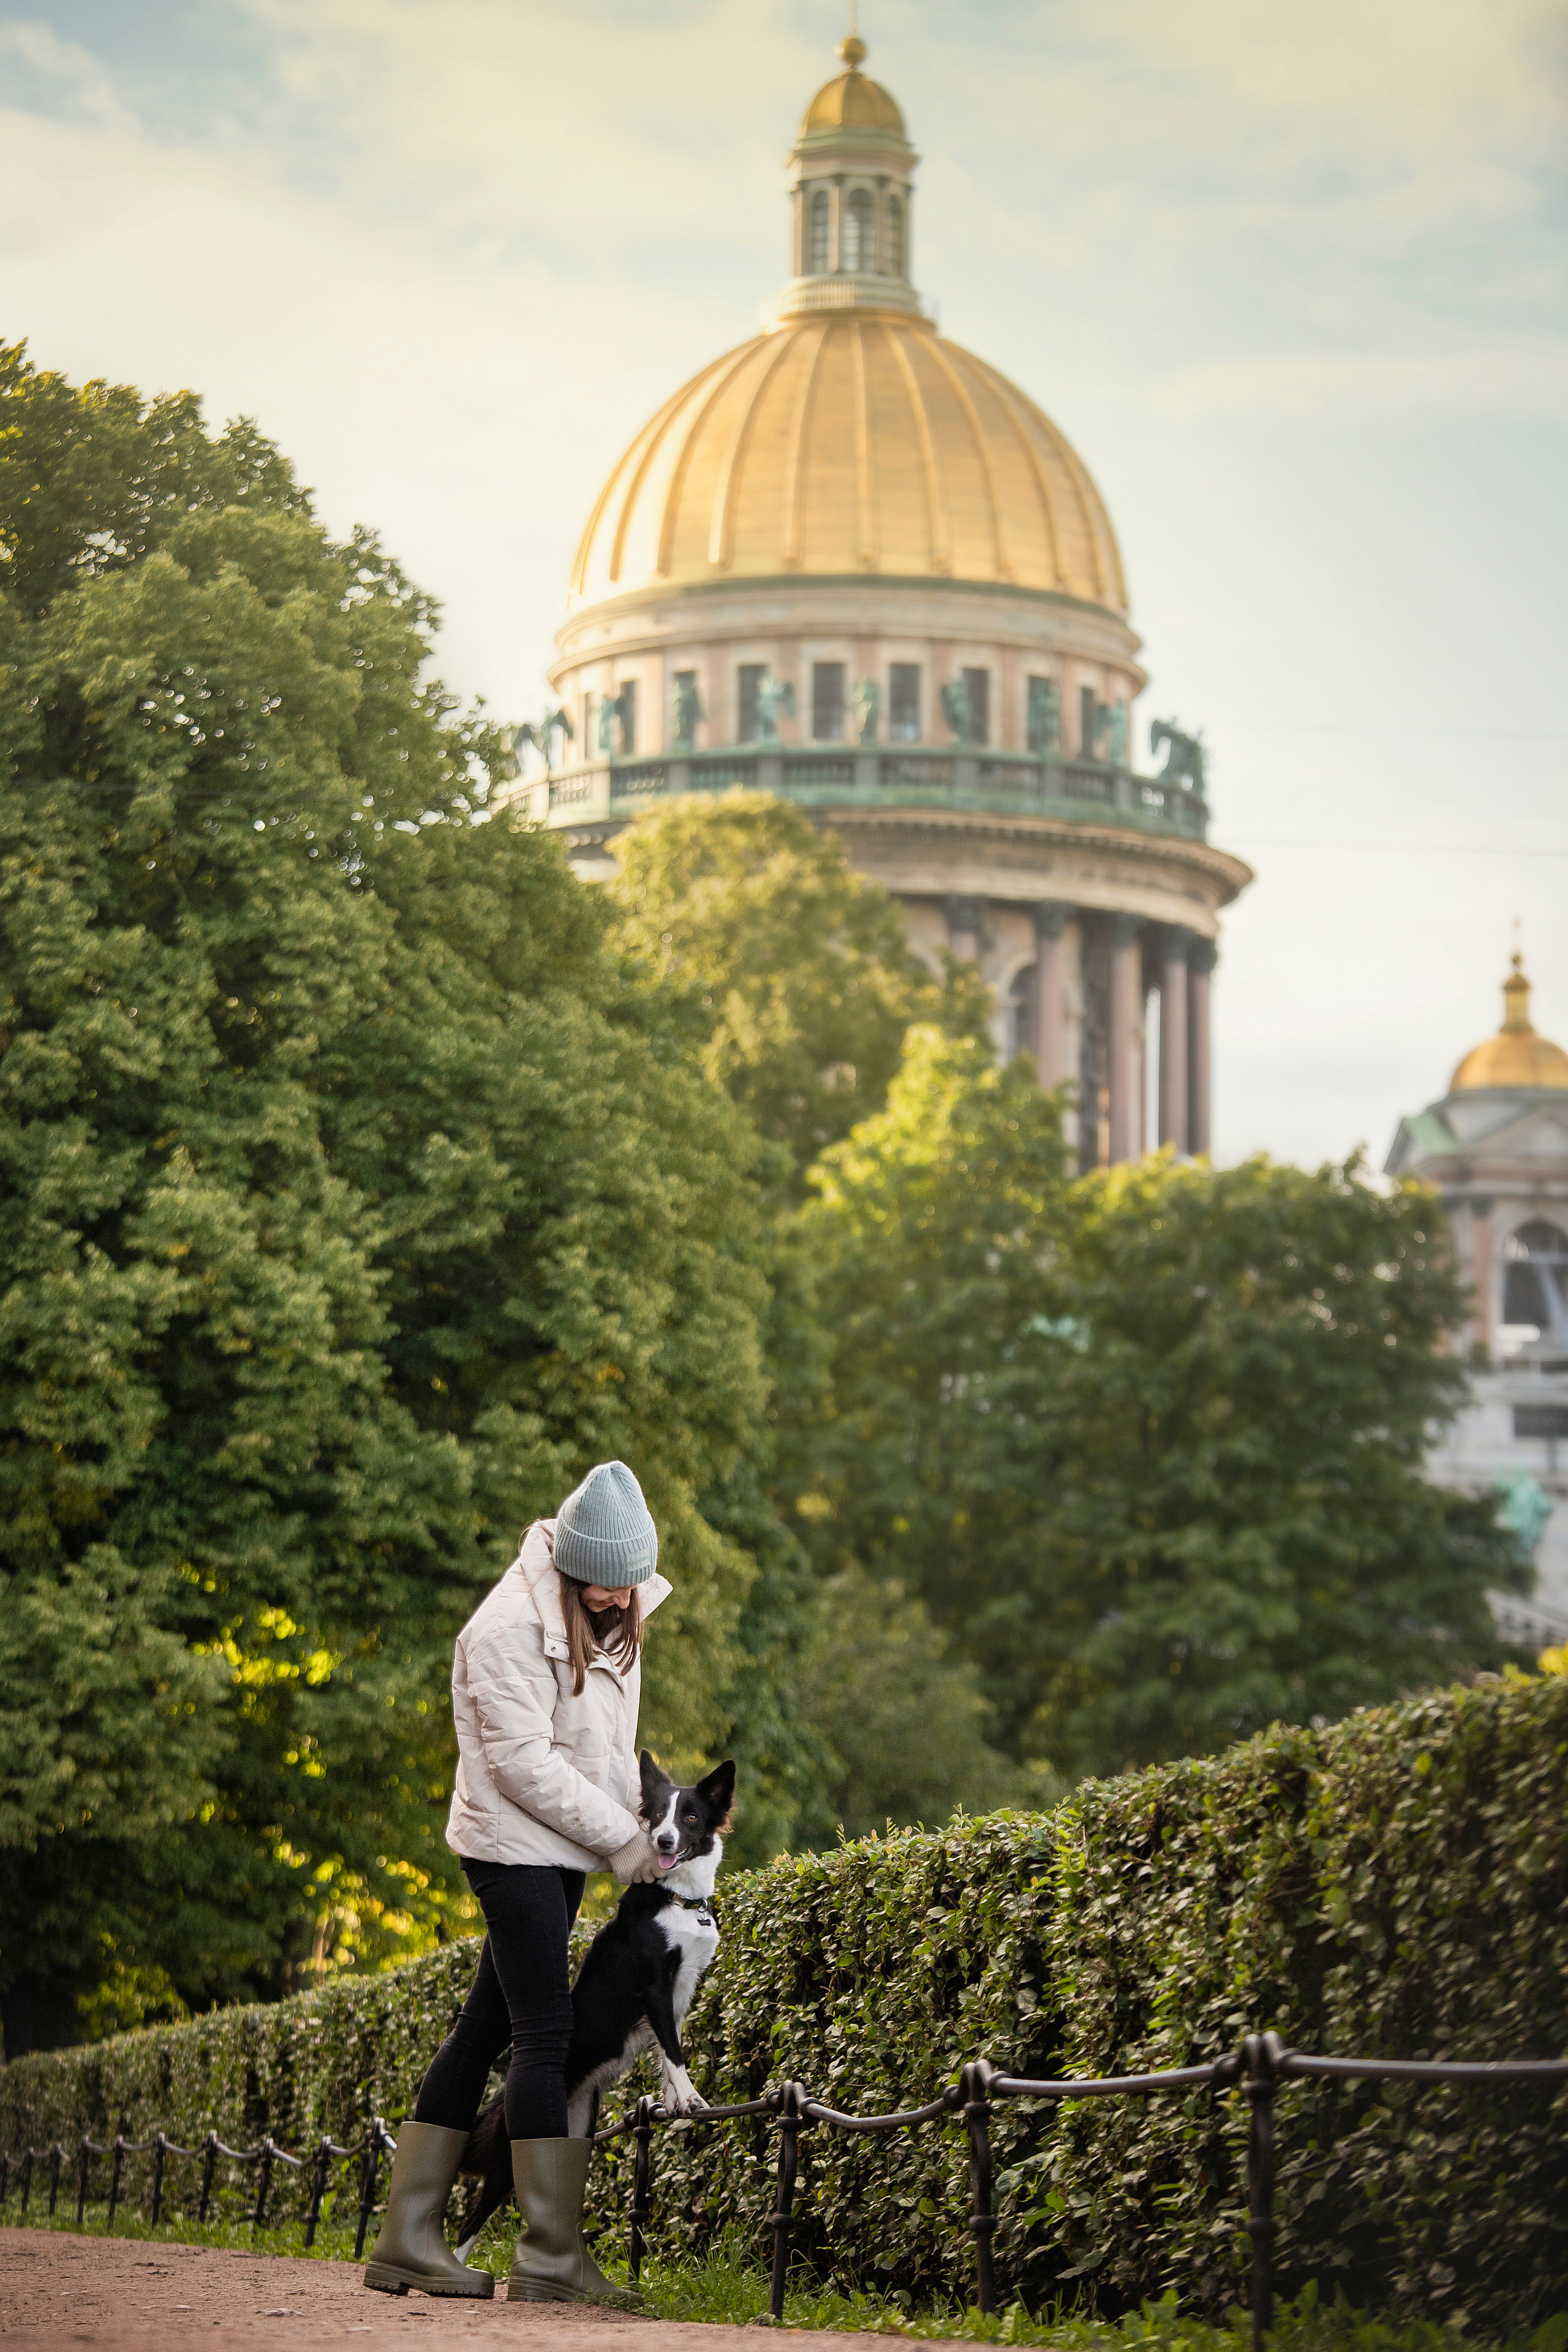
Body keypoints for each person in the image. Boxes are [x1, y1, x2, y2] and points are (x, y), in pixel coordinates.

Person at [365, 1460, 669, 2307]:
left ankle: (409, 2239)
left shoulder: (609, 1615)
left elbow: (604, 1753)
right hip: (510, 1847)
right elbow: (524, 1766)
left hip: (558, 1848)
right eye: (609, 1582)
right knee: (546, 2031)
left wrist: (653, 1827)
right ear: (574, 1565)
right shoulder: (506, 1627)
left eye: (632, 1582)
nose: (623, 1597)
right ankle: (550, 2256)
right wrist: (623, 1841)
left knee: (481, 2031)